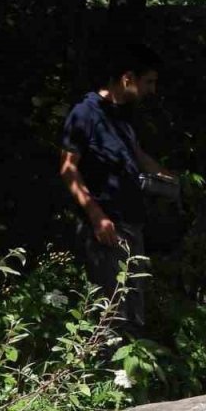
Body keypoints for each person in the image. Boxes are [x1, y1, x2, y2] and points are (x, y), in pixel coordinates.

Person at [58, 43, 173, 336]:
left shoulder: (121, 113)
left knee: (134, 307)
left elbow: (134, 154)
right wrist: (96, 215)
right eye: (149, 82)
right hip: (106, 228)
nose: (153, 90)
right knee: (112, 312)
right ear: (127, 78)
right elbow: (67, 168)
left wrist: (166, 177)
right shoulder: (85, 113)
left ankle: (129, 378)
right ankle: (105, 377)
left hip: (131, 222)